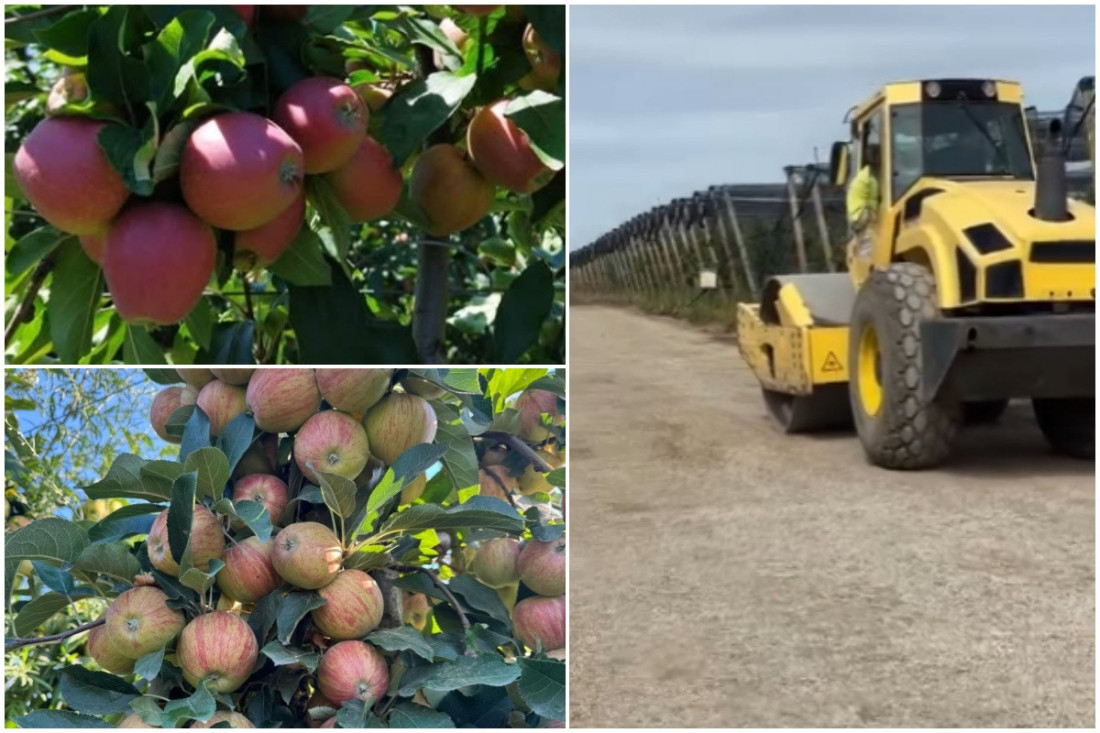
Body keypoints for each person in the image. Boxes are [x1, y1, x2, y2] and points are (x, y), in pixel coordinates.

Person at [846, 143, 880, 265]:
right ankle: (866, 265)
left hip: (856, 213)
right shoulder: (870, 177)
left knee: (862, 238)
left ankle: (853, 250)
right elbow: (876, 197)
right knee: (868, 238)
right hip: (861, 213)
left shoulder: (868, 173)